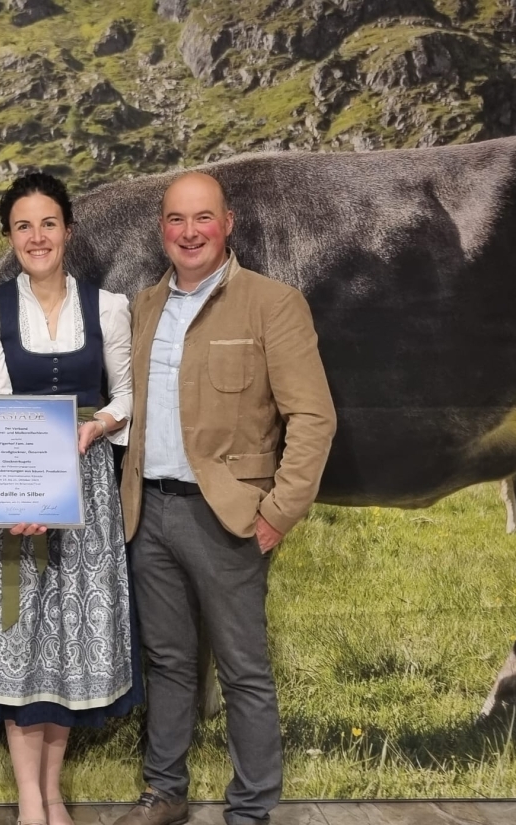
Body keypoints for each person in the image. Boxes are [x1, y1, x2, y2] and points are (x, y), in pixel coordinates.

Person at [113, 172, 336, 825]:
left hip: (229, 519)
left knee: (242, 669)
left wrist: (276, 513)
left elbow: (314, 418)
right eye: (177, 219)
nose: (189, 231)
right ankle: (165, 793)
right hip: (148, 511)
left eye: (202, 217)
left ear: (228, 222)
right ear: (162, 229)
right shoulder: (145, 305)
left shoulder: (274, 303)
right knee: (170, 661)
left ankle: (251, 808)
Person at [0, 172, 143, 825]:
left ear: (68, 228)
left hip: (87, 484)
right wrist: (27, 489)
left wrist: (98, 426)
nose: (37, 237)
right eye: (23, 226)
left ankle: (53, 790)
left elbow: (126, 395)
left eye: (48, 223)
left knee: (65, 643)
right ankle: (30, 799)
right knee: (19, 641)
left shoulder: (110, 306)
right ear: (11, 236)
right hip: (11, 479)